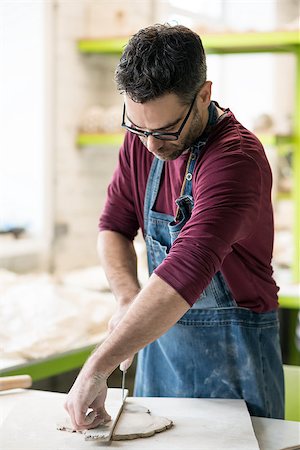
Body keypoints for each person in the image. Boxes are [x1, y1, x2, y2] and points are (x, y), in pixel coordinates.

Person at [65, 24, 284, 430]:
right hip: (157, 344)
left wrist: (98, 365)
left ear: (204, 95)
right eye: (138, 127)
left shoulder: (236, 160)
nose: (150, 145)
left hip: (235, 358)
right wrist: (128, 299)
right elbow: (113, 225)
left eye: (166, 130)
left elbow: (187, 266)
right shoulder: (144, 139)